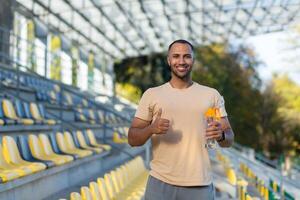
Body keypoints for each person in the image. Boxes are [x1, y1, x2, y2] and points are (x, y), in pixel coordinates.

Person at [128, 39, 234, 200]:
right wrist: (151, 129)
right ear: (169, 60)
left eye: (187, 56)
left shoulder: (211, 95)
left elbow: (229, 139)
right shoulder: (152, 94)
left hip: (199, 186)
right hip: (160, 184)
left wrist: (221, 135)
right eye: (176, 56)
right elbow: (132, 139)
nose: (181, 61)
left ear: (193, 60)